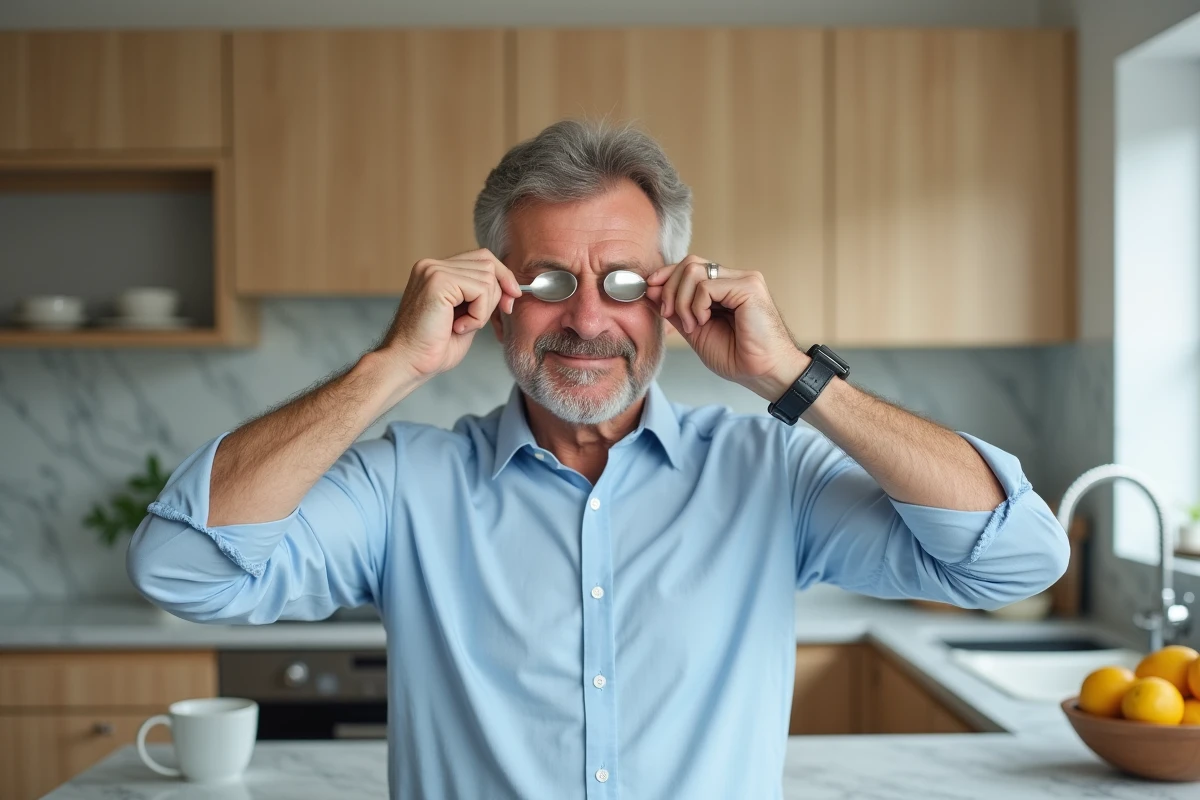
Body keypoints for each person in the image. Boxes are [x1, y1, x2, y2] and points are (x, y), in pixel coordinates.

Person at [128, 120, 1069, 799]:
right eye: (546, 282)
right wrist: (389, 367)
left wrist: (792, 374)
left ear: (668, 296)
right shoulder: (404, 487)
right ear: (495, 295)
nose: (585, 319)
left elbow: (1018, 556)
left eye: (622, 282)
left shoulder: (767, 471)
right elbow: (184, 569)